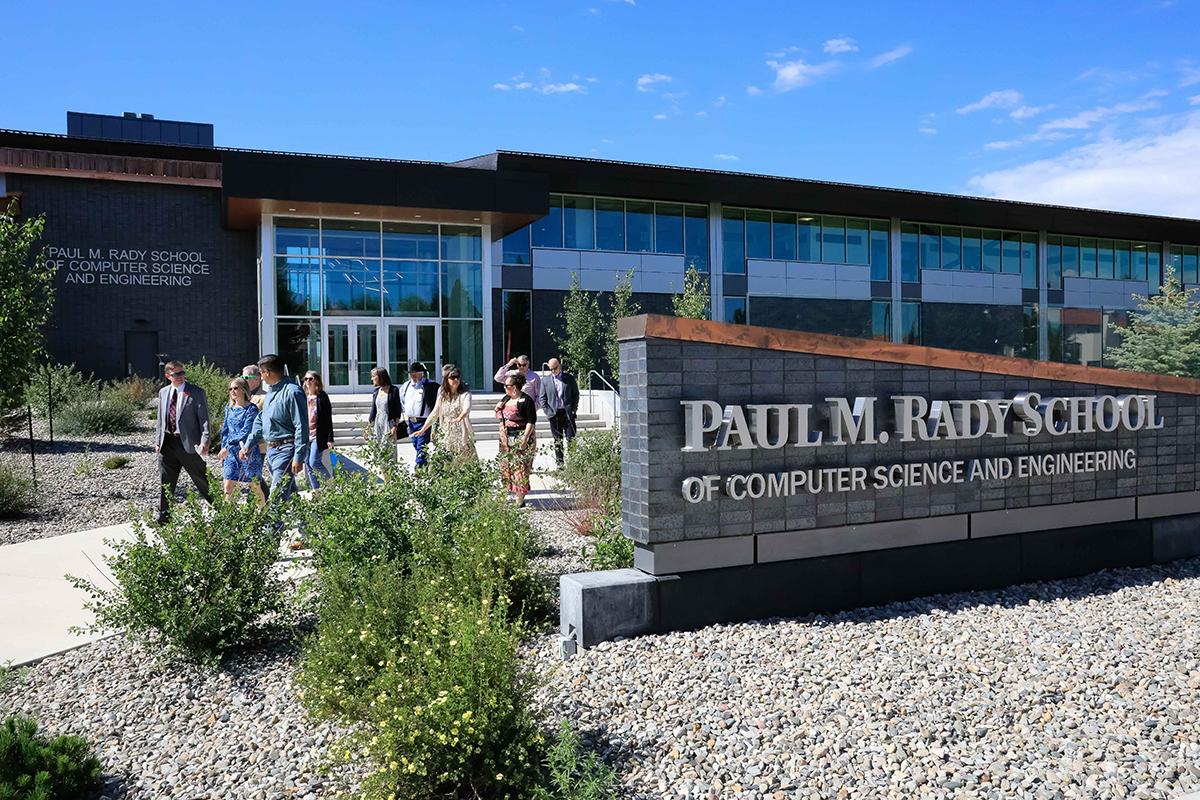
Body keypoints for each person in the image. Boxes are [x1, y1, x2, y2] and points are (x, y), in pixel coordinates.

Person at [241, 354, 308, 507]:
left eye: (261, 373)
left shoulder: (292, 392)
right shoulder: (271, 392)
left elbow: (301, 426)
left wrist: (298, 455)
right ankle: (306, 526)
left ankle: (270, 529)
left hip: (286, 450)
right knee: (289, 492)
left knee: (276, 496)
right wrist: (248, 444)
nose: (261, 378)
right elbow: (260, 420)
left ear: (267, 372)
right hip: (272, 451)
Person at [154, 360, 212, 524]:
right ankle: (164, 518)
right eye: (176, 374)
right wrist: (158, 440)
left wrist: (205, 440)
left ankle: (223, 509)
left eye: (182, 373)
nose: (180, 376)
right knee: (166, 481)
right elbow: (160, 419)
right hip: (168, 443)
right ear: (168, 376)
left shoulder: (196, 392)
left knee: (201, 479)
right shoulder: (163, 392)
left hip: (187, 444)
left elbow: (204, 419)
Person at [216, 378, 266, 506]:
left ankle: (262, 514)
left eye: (236, 388)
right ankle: (229, 517)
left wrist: (228, 446)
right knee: (228, 486)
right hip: (231, 453)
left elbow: (246, 431)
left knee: (254, 486)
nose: (233, 391)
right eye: (230, 389)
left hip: (247, 451)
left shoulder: (251, 409)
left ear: (243, 390)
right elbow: (225, 431)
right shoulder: (229, 407)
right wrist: (224, 448)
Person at [415, 364, 476, 463]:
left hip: (461, 433)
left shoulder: (465, 394)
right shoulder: (442, 396)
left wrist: (459, 417)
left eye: (458, 377)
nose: (456, 379)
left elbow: (466, 409)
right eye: (452, 377)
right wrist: (423, 429)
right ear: (446, 379)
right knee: (447, 463)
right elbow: (434, 414)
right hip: (446, 433)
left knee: (464, 463)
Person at [496, 373, 536, 507]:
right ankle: (511, 493)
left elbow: (531, 421)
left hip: (521, 436)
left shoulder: (526, 400)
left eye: (506, 386)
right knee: (508, 467)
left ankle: (520, 499)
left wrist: (524, 440)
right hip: (506, 439)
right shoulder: (506, 398)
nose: (504, 388)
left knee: (521, 468)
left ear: (514, 387)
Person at [538, 358, 580, 468]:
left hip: (567, 413)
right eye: (551, 369)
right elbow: (542, 399)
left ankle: (573, 463)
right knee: (557, 440)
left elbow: (575, 395)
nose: (553, 371)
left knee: (571, 438)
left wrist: (574, 409)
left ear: (559, 366)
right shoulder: (545, 381)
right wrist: (548, 412)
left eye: (555, 368)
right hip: (554, 414)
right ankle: (560, 464)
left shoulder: (569, 378)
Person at [398, 362, 439, 467]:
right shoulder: (406, 386)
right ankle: (425, 463)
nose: (413, 375)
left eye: (416, 373)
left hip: (423, 421)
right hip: (411, 421)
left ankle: (419, 466)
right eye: (412, 373)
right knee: (416, 444)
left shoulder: (431, 386)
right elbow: (402, 400)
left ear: (422, 374)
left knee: (422, 445)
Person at [302, 370, 334, 489]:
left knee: (314, 462)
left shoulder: (322, 397)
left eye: (310, 379)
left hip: (318, 435)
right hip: (305, 435)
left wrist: (330, 438)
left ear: (316, 381)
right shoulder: (303, 397)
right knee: (308, 465)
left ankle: (330, 484)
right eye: (306, 379)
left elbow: (328, 419)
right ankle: (317, 491)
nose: (308, 381)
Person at [366, 367, 402, 448]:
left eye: (373, 376)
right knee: (377, 449)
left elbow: (398, 410)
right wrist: (368, 427)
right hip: (377, 424)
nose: (372, 379)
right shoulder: (376, 391)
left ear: (380, 377)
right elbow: (373, 410)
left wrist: (395, 427)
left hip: (389, 423)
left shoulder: (394, 390)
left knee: (389, 449)